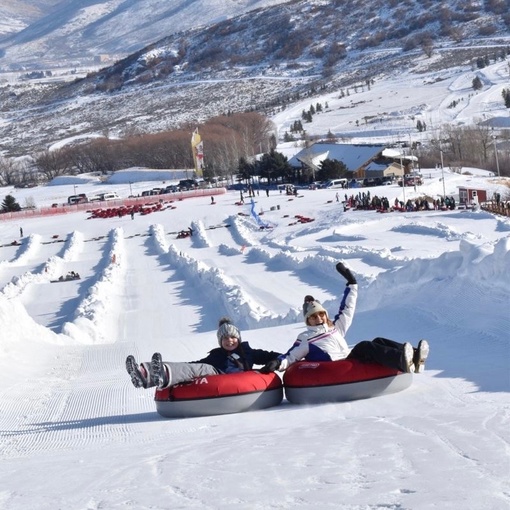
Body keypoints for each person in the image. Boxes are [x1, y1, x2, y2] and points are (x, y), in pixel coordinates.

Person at [261, 262, 429, 375]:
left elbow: (347, 308)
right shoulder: (305, 338)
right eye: (313, 317)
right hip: (338, 367)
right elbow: (291, 356)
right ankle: (401, 360)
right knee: (364, 345)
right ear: (308, 321)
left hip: (350, 361)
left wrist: (352, 283)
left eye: (321, 314)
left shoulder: (335, 328)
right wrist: (276, 363)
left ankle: (414, 356)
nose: (318, 318)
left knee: (378, 340)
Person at [126, 317, 282, 389]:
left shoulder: (249, 352)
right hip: (215, 373)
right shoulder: (217, 354)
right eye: (225, 339)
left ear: (238, 338)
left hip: (235, 379)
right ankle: (144, 374)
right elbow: (198, 365)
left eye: (233, 337)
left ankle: (159, 373)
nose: (229, 341)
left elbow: (270, 355)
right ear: (220, 341)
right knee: (192, 368)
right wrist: (186, 367)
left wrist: (276, 361)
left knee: (197, 369)